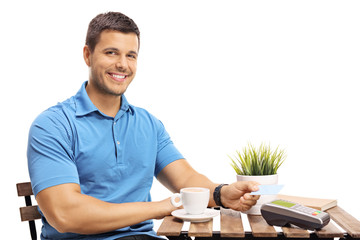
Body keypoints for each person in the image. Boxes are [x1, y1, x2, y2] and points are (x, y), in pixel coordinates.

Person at [27, 11, 260, 240]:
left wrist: (221, 193)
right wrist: (164, 206)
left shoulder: (148, 124)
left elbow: (186, 180)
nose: (122, 64)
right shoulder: (53, 126)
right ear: (88, 55)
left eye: (131, 55)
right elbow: (65, 214)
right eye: (111, 53)